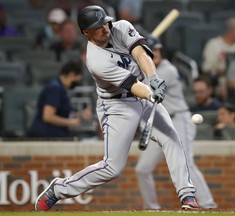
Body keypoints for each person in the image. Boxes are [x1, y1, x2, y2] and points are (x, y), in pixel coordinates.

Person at [35, 5, 198, 211]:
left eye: (105, 22)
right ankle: (59, 189)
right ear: (86, 32)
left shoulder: (120, 27)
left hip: (143, 96)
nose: (105, 28)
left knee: (172, 139)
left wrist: (153, 78)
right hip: (117, 106)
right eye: (98, 26)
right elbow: (133, 85)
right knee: (112, 167)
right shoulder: (95, 60)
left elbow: (141, 54)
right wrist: (150, 92)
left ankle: (187, 196)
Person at [135, 38, 217, 209]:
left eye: (157, 51)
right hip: (160, 123)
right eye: (151, 51)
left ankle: (208, 205)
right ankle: (151, 208)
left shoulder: (168, 70)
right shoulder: (144, 70)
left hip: (179, 119)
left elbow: (143, 87)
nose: (155, 54)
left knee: (186, 162)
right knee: (142, 169)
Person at [27, 60, 92, 138]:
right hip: (44, 136)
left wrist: (80, 115)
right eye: (77, 80)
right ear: (71, 74)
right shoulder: (55, 88)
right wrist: (70, 122)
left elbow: (61, 113)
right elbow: (48, 117)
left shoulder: (62, 89)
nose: (77, 83)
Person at [201, 17, 235, 102]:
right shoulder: (213, 45)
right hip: (221, 81)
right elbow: (206, 70)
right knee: (222, 90)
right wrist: (221, 72)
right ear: (230, 31)